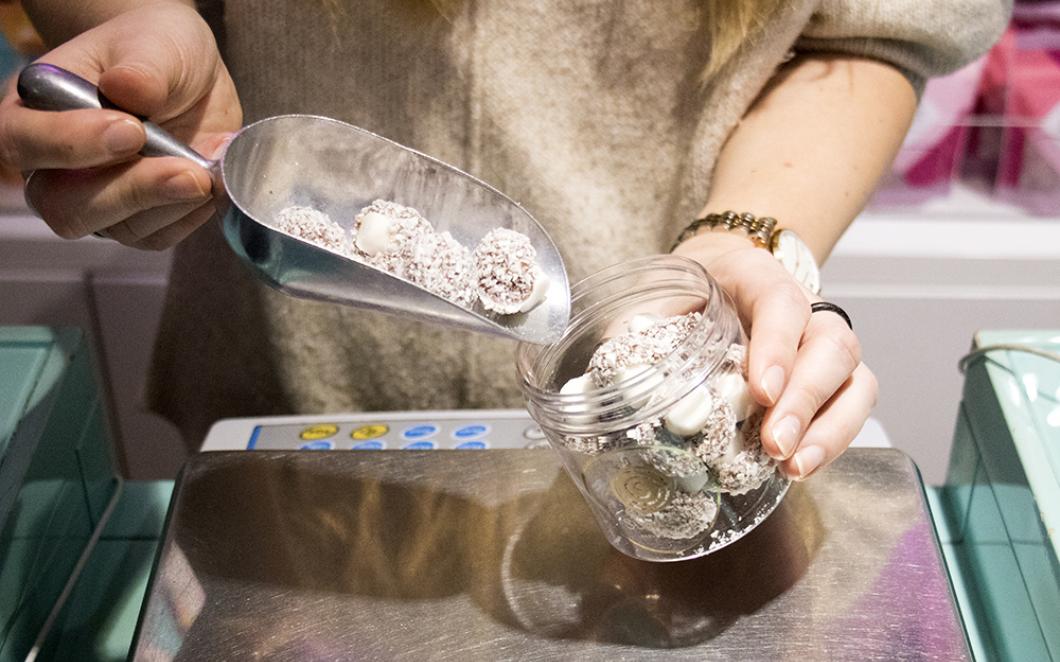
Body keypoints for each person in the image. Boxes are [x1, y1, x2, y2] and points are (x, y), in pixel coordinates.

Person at [0, 1, 1010, 480]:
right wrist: (138, 18)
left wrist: (742, 239)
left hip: (655, 375)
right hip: (286, 388)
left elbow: (872, 31)